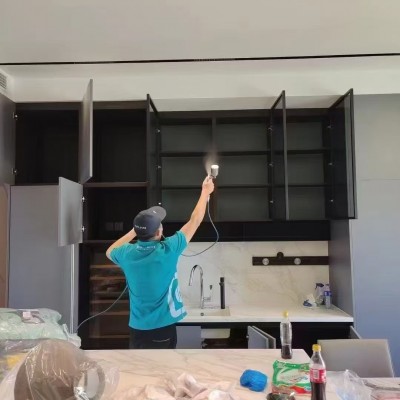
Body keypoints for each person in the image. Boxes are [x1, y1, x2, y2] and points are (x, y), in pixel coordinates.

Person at [106, 175, 214, 349]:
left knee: (139, 366)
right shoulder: (168, 249)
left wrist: (134, 231)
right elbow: (195, 220)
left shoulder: (127, 253)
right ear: (158, 233)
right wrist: (205, 192)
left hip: (137, 329)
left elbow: (110, 251)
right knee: (163, 367)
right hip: (162, 329)